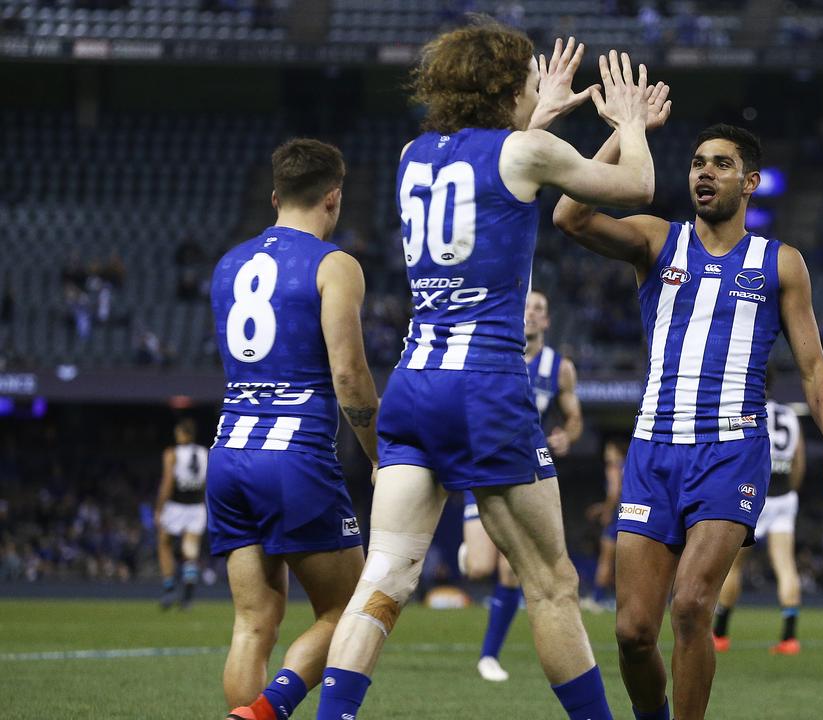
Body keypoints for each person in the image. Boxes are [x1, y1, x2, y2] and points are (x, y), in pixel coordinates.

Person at [315, 25, 656, 720]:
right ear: (505, 90)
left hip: (412, 384)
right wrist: (629, 122)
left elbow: (491, 163)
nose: (538, 88)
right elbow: (638, 184)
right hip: (486, 388)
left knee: (382, 579)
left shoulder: (413, 154)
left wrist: (545, 109)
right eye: (528, 81)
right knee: (552, 583)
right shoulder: (526, 150)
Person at [554, 122, 823, 720]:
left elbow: (813, 367)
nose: (704, 172)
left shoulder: (780, 264)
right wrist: (624, 135)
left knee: (694, 605)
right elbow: (569, 217)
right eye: (699, 162)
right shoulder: (656, 239)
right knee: (632, 633)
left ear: (749, 182)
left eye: (721, 164)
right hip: (653, 448)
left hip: (732, 450)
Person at [209, 138, 381, 720]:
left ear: (276, 195)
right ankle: (268, 710)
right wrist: (380, 453)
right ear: (333, 199)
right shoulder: (335, 265)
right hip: (293, 458)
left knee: (253, 621)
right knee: (354, 608)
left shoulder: (228, 264)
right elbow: (349, 373)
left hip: (229, 451)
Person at [459, 288, 584, 682]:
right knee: (480, 567)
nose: (531, 313)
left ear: (547, 321)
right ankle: (468, 554)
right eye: (526, 306)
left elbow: (574, 415)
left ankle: (488, 656)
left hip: (526, 470)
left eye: (539, 309)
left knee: (513, 569)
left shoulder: (559, 367)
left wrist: (568, 435)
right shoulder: (494, 354)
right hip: (481, 465)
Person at [712, 393, 806, 655]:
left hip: (754, 494)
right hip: (785, 496)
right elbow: (799, 460)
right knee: (786, 566)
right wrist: (791, 491)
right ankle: (789, 638)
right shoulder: (790, 414)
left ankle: (719, 633)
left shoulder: (750, 409)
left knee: (734, 566)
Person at [154, 418, 208, 610]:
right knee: (190, 551)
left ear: (183, 434)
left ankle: (169, 588)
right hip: (196, 506)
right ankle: (188, 594)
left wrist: (159, 507)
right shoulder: (204, 453)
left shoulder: (172, 453)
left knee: (164, 544)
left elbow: (168, 481)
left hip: (177, 504)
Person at [583, 436, 626, 612]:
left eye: (609, 450)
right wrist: (602, 507)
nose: (606, 453)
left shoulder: (613, 468)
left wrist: (607, 511)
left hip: (616, 517)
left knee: (606, 560)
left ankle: (597, 599)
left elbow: (614, 492)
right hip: (628, 514)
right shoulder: (628, 466)